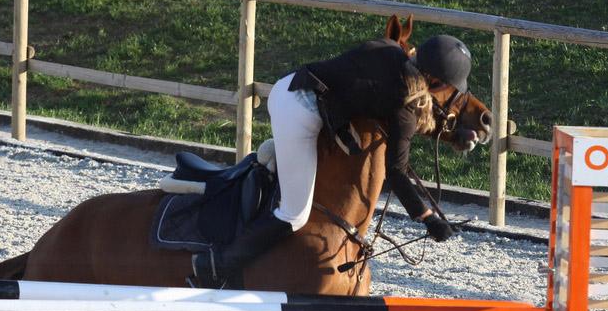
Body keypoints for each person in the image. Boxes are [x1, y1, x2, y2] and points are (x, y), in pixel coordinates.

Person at [192, 34, 472, 288]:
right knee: (294, 214)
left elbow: (405, 118)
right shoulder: (403, 105)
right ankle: (216, 264)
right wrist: (426, 217)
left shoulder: (391, 51)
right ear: (436, 82)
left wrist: (451, 133)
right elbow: (396, 170)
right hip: (297, 108)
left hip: (300, 87)